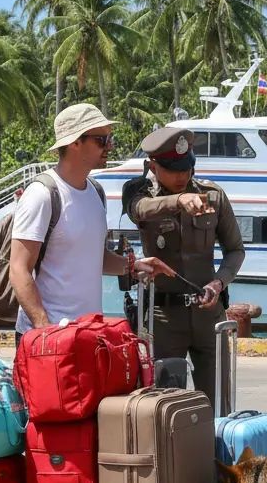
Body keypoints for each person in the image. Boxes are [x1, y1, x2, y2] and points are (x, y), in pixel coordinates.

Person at [10, 104, 171, 346]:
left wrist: (133, 266)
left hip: (89, 333)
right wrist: (45, 329)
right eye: (102, 140)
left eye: (109, 138)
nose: (110, 146)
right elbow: (19, 269)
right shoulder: (42, 194)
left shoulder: (96, 192)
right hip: (49, 336)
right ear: (75, 142)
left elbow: (95, 258)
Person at [124, 126, 245, 411]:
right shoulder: (138, 192)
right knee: (164, 406)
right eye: (173, 169)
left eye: (187, 168)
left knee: (217, 404)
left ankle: (216, 456)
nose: (182, 176)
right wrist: (178, 201)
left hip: (208, 314)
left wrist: (218, 283)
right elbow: (139, 210)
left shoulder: (213, 196)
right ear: (153, 165)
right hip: (163, 319)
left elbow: (235, 251)